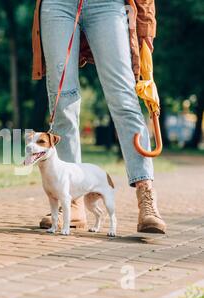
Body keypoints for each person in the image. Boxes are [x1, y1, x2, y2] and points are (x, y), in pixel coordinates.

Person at [32, 0, 166, 233]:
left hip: (107, 4)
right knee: (63, 101)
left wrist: (146, 26)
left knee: (124, 98)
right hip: (58, 5)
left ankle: (146, 194)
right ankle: (71, 201)